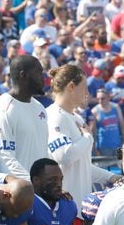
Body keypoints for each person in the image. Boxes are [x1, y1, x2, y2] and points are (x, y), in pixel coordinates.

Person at [46, 65, 119, 213]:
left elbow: (82, 165)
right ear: (71, 87)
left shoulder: (77, 117)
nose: (87, 93)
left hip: (79, 207)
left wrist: (111, 177)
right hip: (62, 208)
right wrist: (87, 137)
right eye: (84, 87)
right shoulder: (54, 116)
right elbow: (64, 156)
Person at [0, 55, 49, 181]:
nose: (43, 78)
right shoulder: (4, 109)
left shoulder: (39, 107)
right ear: (23, 75)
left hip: (40, 190)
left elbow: (44, 152)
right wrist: (32, 183)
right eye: (39, 73)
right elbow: (4, 159)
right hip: (20, 192)